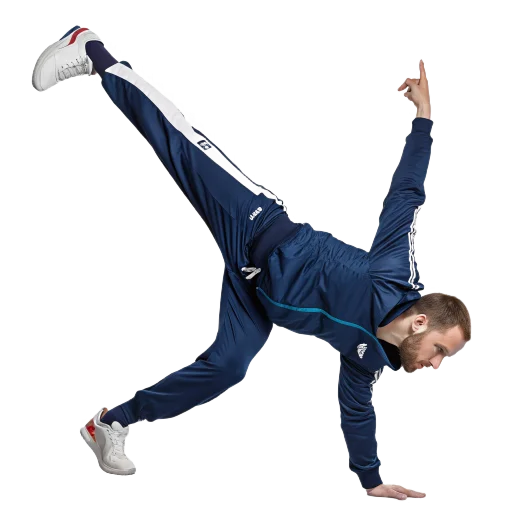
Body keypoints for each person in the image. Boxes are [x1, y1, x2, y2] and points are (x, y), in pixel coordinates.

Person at [33, 27, 471, 501]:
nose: (434, 366)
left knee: (227, 367)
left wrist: (372, 480)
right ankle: (93, 51)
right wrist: (424, 118)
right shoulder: (392, 275)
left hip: (256, 297)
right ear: (420, 322)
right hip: (256, 224)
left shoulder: (371, 357)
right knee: (177, 142)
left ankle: (110, 424)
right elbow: (406, 197)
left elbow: (357, 412)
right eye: (440, 351)